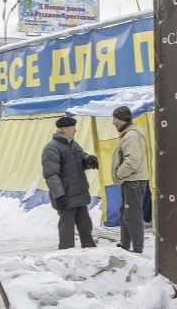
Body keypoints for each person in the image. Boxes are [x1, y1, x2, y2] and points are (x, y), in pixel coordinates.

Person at [41, 115, 99, 249]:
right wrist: (59, 195)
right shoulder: (52, 148)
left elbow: (81, 158)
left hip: (78, 193)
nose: (75, 130)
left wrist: (89, 160)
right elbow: (51, 174)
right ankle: (66, 253)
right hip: (66, 195)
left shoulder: (73, 144)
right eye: (73, 128)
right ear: (65, 129)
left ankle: (90, 251)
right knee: (66, 227)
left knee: (85, 224)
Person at [110, 106, 150, 253]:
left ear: (121, 119)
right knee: (124, 213)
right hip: (130, 180)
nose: (113, 122)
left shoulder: (131, 135)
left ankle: (138, 248)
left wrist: (120, 174)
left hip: (133, 180)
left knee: (132, 214)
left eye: (114, 118)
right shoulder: (127, 134)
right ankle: (125, 245)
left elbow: (133, 160)